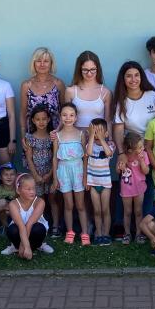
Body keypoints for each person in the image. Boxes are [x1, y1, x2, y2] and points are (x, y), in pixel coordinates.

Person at [53, 102, 90, 245]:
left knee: (80, 205)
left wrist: (85, 176)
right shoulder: (57, 136)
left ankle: (85, 233)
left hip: (78, 170)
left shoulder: (81, 134)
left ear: (76, 117)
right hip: (63, 171)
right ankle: (70, 232)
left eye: (71, 115)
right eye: (64, 115)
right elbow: (55, 158)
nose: (68, 118)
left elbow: (85, 157)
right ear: (60, 117)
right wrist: (55, 178)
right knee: (68, 204)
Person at [23, 104, 59, 235]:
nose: (41, 122)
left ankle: (55, 226)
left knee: (53, 199)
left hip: (50, 173)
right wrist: (36, 175)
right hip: (36, 174)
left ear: (48, 119)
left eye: (44, 119)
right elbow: (29, 158)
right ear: (33, 120)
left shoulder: (52, 137)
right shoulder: (30, 138)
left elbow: (56, 156)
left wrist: (50, 174)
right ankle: (41, 225)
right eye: (38, 119)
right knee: (39, 201)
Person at [6, 174, 55, 260]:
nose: (32, 192)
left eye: (33, 188)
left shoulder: (40, 202)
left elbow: (29, 225)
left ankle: (39, 245)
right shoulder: (13, 204)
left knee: (38, 229)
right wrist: (25, 246)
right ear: (18, 190)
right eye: (28, 189)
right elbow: (21, 226)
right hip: (20, 231)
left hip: (32, 230)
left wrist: (25, 247)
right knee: (12, 230)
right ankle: (15, 246)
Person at [83, 118, 115, 245]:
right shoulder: (89, 145)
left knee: (105, 210)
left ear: (106, 133)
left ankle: (106, 234)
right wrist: (91, 136)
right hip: (93, 183)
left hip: (105, 183)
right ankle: (99, 233)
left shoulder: (110, 145)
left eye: (100, 131)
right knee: (97, 210)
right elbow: (89, 152)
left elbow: (108, 153)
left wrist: (102, 139)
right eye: (94, 131)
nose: (97, 134)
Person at [19, 47, 65, 135]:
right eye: (39, 61)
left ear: (51, 64)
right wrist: (23, 134)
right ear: (34, 63)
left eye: (46, 61)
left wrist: (61, 131)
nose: (42, 64)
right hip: (32, 136)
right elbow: (23, 113)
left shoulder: (58, 84)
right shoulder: (26, 85)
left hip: (55, 134)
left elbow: (64, 110)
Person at [119, 131, 150, 244]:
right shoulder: (124, 156)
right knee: (127, 211)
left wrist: (141, 161)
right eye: (140, 147)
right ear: (130, 150)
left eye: (142, 146)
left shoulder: (144, 155)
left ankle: (138, 234)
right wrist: (122, 167)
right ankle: (127, 234)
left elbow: (146, 171)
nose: (142, 148)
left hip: (139, 187)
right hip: (126, 188)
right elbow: (118, 170)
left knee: (138, 211)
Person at [66, 51, 111, 128]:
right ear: (79, 70)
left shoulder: (106, 92)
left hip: (98, 135)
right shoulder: (70, 91)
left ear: (98, 69)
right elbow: (65, 118)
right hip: (76, 134)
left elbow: (108, 121)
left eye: (93, 69)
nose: (89, 74)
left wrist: (109, 136)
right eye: (85, 70)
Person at [0, 163, 19, 239]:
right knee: (1, 201)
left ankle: (18, 226)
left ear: (16, 176)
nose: (9, 177)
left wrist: (12, 207)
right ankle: (6, 226)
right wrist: (4, 207)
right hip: (5, 214)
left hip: (18, 213)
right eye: (6, 174)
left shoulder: (19, 188)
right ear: (0, 177)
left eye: (12, 174)